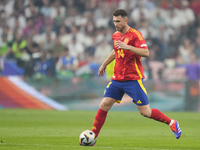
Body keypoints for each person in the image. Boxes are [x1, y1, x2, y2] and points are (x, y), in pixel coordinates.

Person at [90, 9, 182, 143]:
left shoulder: (135, 35)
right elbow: (115, 51)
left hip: (133, 80)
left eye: (118, 21)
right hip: (117, 79)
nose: (116, 24)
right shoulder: (115, 35)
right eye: (114, 21)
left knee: (146, 112)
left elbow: (146, 53)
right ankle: (93, 135)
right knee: (104, 104)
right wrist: (104, 64)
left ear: (126, 21)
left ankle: (172, 122)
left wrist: (127, 47)